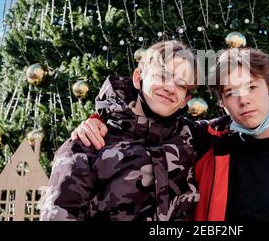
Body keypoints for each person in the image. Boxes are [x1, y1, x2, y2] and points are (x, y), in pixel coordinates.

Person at [70, 46, 269, 221]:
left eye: (252, 87)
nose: (243, 100)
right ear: (223, 104)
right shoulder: (96, 139)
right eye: (231, 92)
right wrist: (100, 116)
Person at [41, 41, 200, 221]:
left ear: (185, 100)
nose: (170, 88)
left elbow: (234, 122)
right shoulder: (88, 142)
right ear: (138, 78)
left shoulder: (193, 138)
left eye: (181, 84)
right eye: (163, 75)